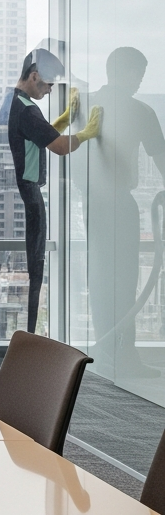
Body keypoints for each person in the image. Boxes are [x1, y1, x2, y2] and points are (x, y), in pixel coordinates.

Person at [6, 47, 101, 335]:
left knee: (36, 263)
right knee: (36, 266)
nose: (49, 91)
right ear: (34, 76)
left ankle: (28, 337)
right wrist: (86, 133)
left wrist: (66, 118)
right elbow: (58, 146)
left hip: (25, 187)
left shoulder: (16, 101)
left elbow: (38, 136)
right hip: (30, 191)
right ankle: (29, 338)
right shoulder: (27, 109)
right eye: (48, 85)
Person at [84, 47, 164, 377]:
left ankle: (108, 356)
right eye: (140, 76)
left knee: (100, 281)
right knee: (125, 280)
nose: (139, 82)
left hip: (90, 203)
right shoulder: (139, 110)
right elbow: (162, 156)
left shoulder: (84, 103)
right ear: (129, 74)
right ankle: (122, 357)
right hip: (120, 202)